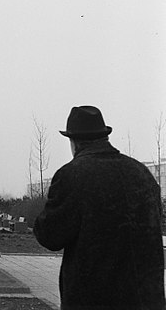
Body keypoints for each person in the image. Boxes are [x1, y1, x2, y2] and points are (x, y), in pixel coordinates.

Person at [34, 105, 165, 310]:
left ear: (74, 141)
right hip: (146, 299)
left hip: (95, 298)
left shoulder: (72, 175)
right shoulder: (142, 174)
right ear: (104, 137)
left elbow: (51, 236)